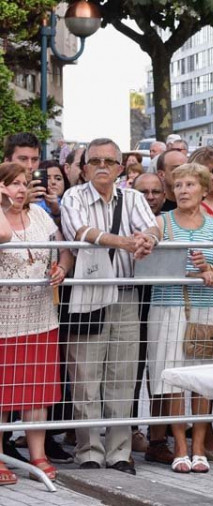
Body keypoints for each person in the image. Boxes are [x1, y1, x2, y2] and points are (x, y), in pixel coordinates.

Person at [60, 138, 160, 475]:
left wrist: (147, 240)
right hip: (88, 293)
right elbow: (80, 230)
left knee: (123, 376)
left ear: (121, 168)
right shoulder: (73, 195)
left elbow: (153, 225)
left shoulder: (132, 197)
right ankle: (88, 451)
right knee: (86, 378)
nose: (102, 166)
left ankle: (120, 452)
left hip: (126, 295)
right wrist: (122, 241)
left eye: (110, 161)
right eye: (95, 160)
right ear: (85, 167)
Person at [147, 162, 213, 474]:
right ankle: (180, 445)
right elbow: (152, 256)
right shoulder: (162, 222)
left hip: (207, 308)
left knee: (202, 381)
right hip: (168, 307)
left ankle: (199, 446)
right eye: (179, 185)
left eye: (190, 185)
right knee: (173, 380)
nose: (183, 190)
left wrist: (209, 272)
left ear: (204, 189)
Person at [0, 161, 72, 485]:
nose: (19, 189)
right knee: (3, 392)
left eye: (23, 182)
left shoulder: (41, 214)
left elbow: (62, 249)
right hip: (5, 318)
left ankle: (38, 454)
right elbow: (3, 234)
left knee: (36, 392)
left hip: (42, 316)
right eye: (12, 183)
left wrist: (61, 267)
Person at [129, 171, 171, 463]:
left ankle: (159, 438)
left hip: (163, 304)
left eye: (156, 191)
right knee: (130, 372)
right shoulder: (126, 216)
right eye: (143, 192)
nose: (150, 197)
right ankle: (129, 429)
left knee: (159, 374)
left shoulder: (170, 220)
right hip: (132, 303)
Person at [157, 148, 188, 212]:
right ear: (161, 175)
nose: (184, 173)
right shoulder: (155, 206)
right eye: (177, 169)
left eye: (186, 168)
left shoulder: (197, 205)